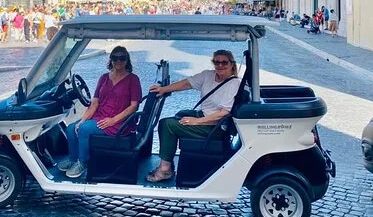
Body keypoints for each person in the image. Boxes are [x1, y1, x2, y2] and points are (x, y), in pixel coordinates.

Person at [146, 50, 240, 182]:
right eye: (217, 62)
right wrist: (163, 89)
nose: (220, 65)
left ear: (231, 64)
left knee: (167, 125)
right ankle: (168, 162)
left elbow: (224, 113)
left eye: (224, 62)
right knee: (172, 119)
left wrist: (196, 121)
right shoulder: (208, 75)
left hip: (215, 127)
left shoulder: (233, 84)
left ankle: (164, 170)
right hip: (204, 116)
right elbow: (187, 83)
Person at [58, 46, 142, 178]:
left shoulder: (133, 79)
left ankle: (83, 162)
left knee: (84, 129)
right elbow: (94, 103)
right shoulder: (104, 78)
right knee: (71, 128)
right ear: (111, 60)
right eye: (115, 58)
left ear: (127, 60)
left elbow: (134, 106)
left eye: (122, 58)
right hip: (100, 117)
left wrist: (113, 120)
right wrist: (82, 121)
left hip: (120, 123)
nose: (118, 61)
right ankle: (73, 159)